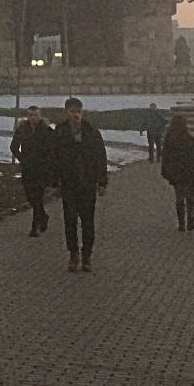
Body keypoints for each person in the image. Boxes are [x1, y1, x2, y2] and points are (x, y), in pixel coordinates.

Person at [51, 96, 108, 273]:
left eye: (78, 111)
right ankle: (73, 254)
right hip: (68, 183)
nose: (76, 115)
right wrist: (54, 182)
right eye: (72, 111)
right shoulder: (60, 132)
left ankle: (87, 255)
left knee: (88, 221)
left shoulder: (91, 132)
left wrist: (102, 182)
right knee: (70, 221)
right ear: (66, 112)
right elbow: (53, 158)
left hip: (87, 182)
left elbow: (100, 157)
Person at [9, 105, 55, 237]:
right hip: (28, 168)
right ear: (27, 116)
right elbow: (13, 146)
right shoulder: (22, 129)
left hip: (42, 169)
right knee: (31, 197)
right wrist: (21, 158)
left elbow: (53, 148)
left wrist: (49, 163)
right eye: (31, 115)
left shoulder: (46, 130)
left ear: (40, 116)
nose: (33, 118)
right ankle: (43, 216)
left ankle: (35, 227)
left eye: (36, 115)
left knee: (38, 196)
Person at [159, 115, 194, 232]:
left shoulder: (170, 141)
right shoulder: (190, 140)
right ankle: (191, 220)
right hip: (189, 173)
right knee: (190, 197)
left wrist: (166, 172)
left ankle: (181, 223)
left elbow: (166, 158)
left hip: (177, 173)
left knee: (179, 198)